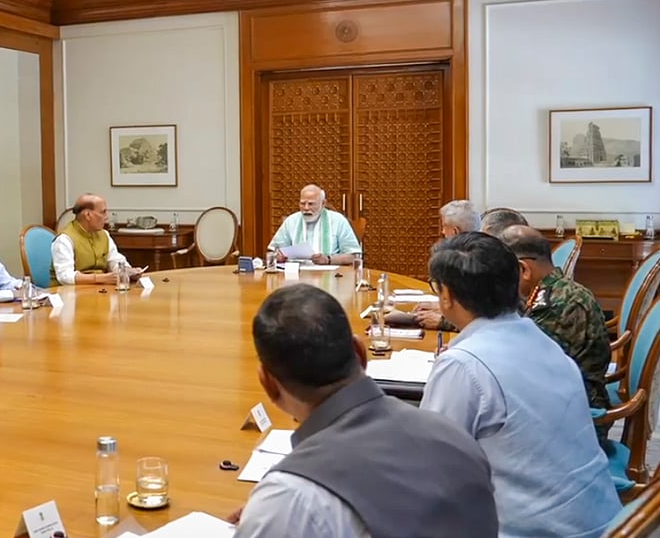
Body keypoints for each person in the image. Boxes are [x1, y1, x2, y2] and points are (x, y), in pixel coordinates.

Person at [233, 284, 497, 538]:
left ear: (268, 384)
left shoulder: (288, 500)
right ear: (360, 353)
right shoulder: (457, 437)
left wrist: (267, 520)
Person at [421, 232, 620, 536]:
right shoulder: (540, 339)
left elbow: (432, 467)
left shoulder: (463, 364)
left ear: (446, 295)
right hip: (604, 520)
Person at [499, 225, 611, 431]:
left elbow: (521, 365)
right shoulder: (549, 291)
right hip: (559, 402)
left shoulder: (558, 304)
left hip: (575, 421)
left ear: (523, 269)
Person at [414, 200, 481, 330]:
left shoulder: (477, 262)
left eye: (444, 226)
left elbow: (488, 318)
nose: (442, 232)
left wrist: (444, 322)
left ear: (455, 231)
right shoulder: (486, 251)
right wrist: (442, 307)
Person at [50, 194, 137, 286]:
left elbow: (115, 260)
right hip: (70, 293)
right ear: (88, 215)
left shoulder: (104, 234)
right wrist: (102, 278)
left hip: (98, 290)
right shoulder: (64, 239)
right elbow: (65, 276)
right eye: (103, 212)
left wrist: (127, 271)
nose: (106, 217)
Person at [266, 185, 361, 266]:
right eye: (302, 203)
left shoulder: (338, 220)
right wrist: (278, 256)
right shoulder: (291, 221)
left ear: (323, 203)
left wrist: (328, 260)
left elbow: (354, 256)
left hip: (329, 275)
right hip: (296, 276)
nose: (306, 208)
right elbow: (271, 253)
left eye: (311, 204)